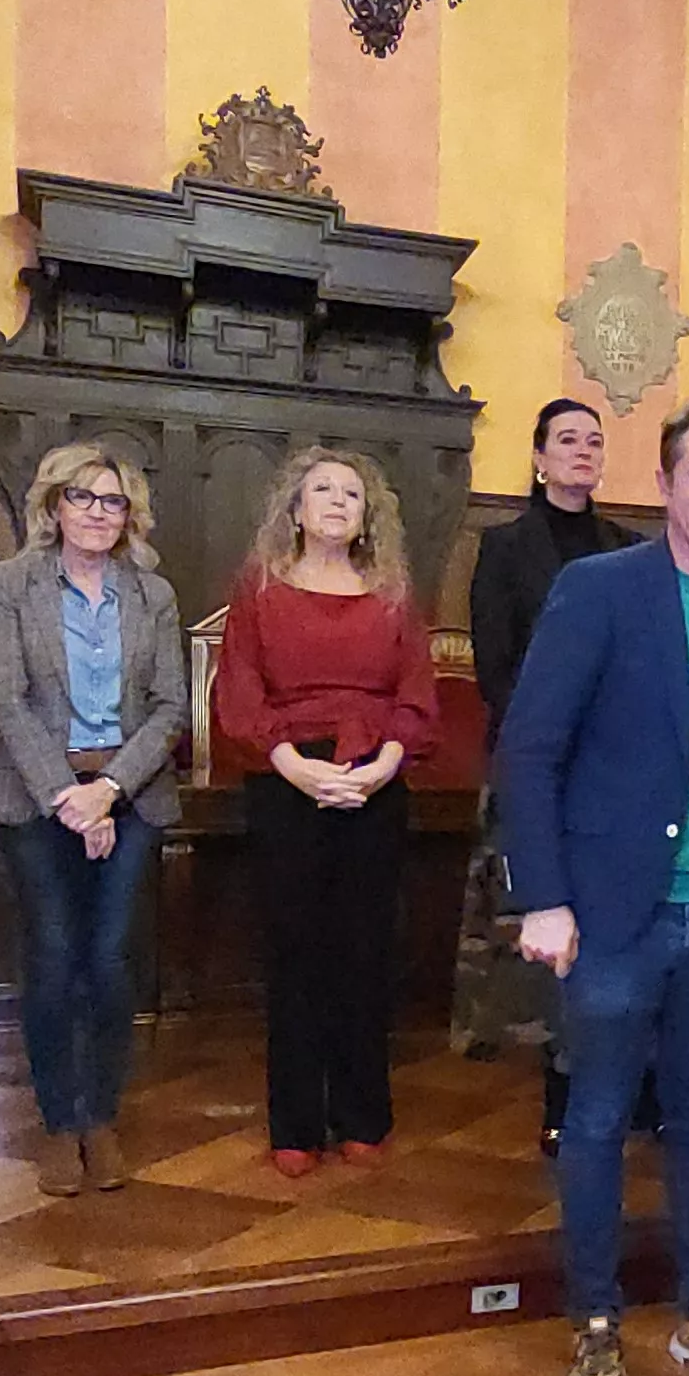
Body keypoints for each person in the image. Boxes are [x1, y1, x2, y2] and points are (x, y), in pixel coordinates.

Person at [496, 393, 689, 1376]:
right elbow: (530, 749)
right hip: (614, 912)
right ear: (664, 483)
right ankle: (595, 1323)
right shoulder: (598, 589)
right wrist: (545, 895)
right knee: (597, 1122)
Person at [213, 445, 438, 1177]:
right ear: (296, 508)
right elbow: (241, 692)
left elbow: (414, 694)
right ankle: (295, 1124)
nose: (338, 501)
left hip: (374, 775)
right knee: (297, 952)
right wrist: (295, 769)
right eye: (322, 490)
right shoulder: (259, 589)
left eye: (351, 492)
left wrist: (379, 769)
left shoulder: (395, 592)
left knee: (364, 953)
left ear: (367, 513)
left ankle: (362, 1115)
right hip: (285, 777)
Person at [0, 443, 188, 1198]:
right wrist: (68, 796)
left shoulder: (152, 594)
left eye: (113, 501)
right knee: (53, 958)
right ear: (52, 506)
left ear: (129, 514)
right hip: (35, 796)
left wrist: (108, 792)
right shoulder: (12, 583)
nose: (98, 513)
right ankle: (58, 1121)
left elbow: (170, 707)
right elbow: (5, 700)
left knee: (107, 962)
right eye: (83, 498)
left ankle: (100, 1115)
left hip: (131, 796)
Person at [458, 399, 640, 1154]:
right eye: (567, 439)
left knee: (617, 932)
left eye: (593, 441)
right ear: (537, 457)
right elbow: (494, 666)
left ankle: (630, 1086)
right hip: (538, 766)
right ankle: (560, 1095)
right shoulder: (503, 548)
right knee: (550, 939)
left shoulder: (626, 548)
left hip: (616, 768)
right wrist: (550, 740)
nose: (582, 451)